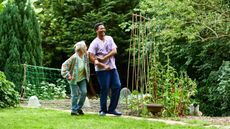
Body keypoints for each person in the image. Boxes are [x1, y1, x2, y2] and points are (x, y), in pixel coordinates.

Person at [88, 22, 122, 116]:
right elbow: (91, 56)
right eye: (100, 28)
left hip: (112, 67)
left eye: (104, 28)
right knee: (105, 88)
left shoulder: (109, 38)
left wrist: (104, 58)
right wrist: (100, 63)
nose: (103, 30)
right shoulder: (94, 43)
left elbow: (114, 51)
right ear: (96, 31)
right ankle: (102, 110)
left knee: (117, 86)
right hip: (102, 70)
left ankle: (112, 109)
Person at [61, 41, 90, 116]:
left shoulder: (85, 56)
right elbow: (64, 66)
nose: (86, 48)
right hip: (73, 79)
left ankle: (78, 108)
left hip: (82, 78)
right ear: (81, 49)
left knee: (84, 92)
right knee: (75, 95)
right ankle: (74, 110)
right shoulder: (74, 58)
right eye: (85, 47)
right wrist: (68, 75)